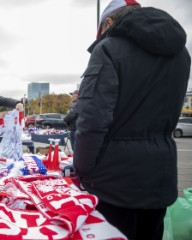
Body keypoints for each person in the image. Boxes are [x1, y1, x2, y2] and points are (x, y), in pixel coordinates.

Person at [73, 0, 191, 239]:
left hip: (114, 182)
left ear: (108, 22)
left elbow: (93, 120)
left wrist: (82, 168)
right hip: (160, 176)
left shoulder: (108, 48)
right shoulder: (181, 53)